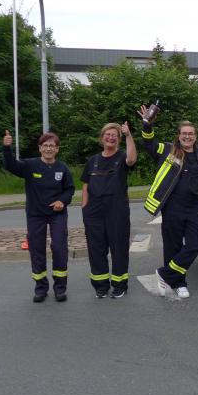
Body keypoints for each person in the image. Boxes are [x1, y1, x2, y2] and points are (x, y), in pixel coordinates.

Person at [138, 104, 198, 298]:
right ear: (179, 135)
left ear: (196, 136)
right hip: (172, 208)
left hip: (193, 208)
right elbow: (149, 143)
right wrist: (147, 124)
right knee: (172, 247)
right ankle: (179, 283)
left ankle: (165, 274)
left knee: (195, 245)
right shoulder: (168, 150)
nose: (187, 136)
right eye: (184, 133)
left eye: (191, 134)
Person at [2, 130, 75, 303]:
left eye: (52, 146)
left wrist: (62, 201)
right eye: (45, 145)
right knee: (37, 250)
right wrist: (6, 148)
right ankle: (41, 288)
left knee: (59, 247)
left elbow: (70, 189)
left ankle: (60, 288)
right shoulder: (30, 165)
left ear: (57, 149)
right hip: (36, 215)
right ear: (40, 148)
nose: (49, 149)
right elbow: (10, 165)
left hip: (57, 214)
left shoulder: (62, 168)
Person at [81, 122, 137, 299]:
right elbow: (85, 185)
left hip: (117, 210)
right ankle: (101, 286)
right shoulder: (93, 161)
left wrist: (128, 135)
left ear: (118, 139)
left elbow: (132, 159)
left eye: (114, 135)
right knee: (96, 249)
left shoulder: (122, 157)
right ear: (102, 137)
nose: (111, 137)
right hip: (94, 212)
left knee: (119, 248)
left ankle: (119, 285)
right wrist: (85, 207)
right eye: (108, 134)